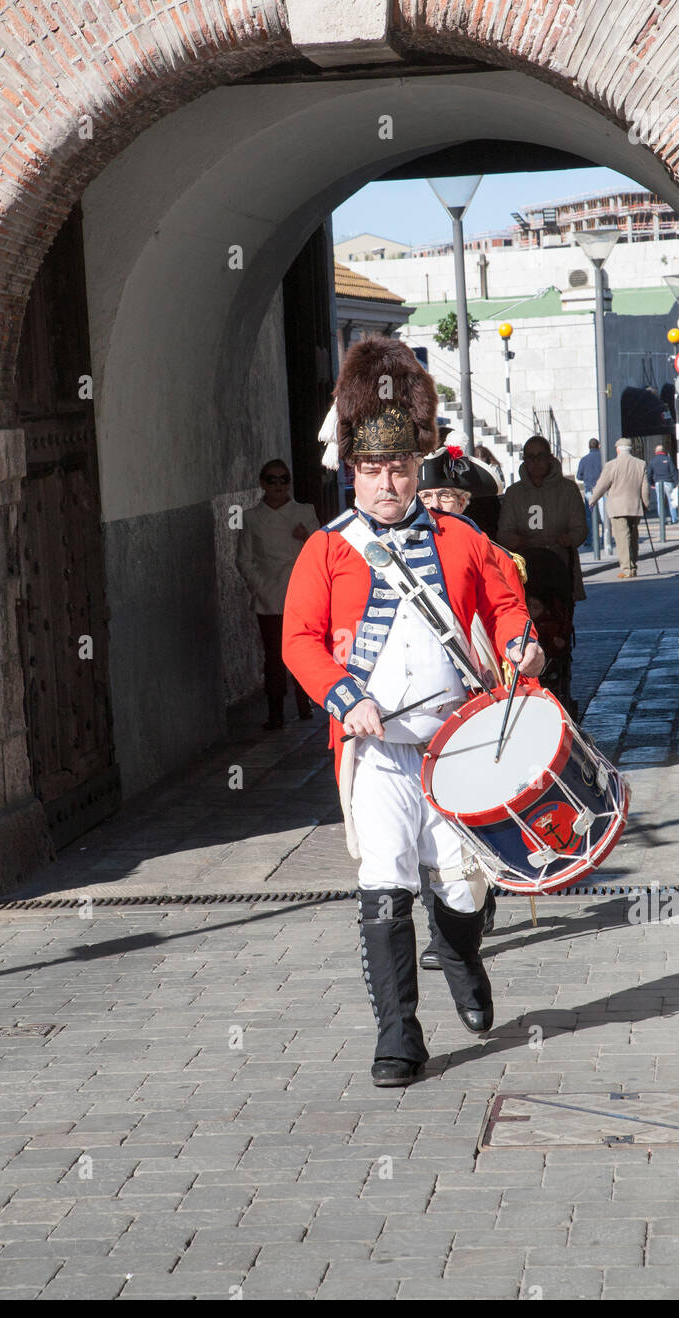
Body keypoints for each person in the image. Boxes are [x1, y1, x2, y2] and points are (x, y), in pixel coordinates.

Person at [283, 336, 543, 1088]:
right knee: (384, 882)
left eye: (398, 468)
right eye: (372, 469)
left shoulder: (462, 537)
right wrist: (345, 697)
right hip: (378, 754)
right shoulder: (326, 551)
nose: (387, 481)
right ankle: (398, 1036)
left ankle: (462, 952)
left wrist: (521, 646)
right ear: (353, 473)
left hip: (458, 745)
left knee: (461, 892)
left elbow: (506, 607)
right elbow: (299, 640)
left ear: (415, 467)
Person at [414, 445, 526, 971]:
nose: (436, 504)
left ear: (464, 501)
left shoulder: (488, 551)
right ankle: (445, 922)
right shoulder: (399, 551)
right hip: (418, 708)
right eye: (428, 495)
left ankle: (472, 909)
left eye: (447, 496)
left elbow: (509, 616)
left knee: (469, 808)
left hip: (479, 692)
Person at [238, 460, 318, 729]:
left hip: (300, 593)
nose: (278, 485)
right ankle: (275, 712)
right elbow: (244, 559)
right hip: (268, 595)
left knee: (304, 649)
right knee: (273, 656)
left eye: (283, 480)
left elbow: (320, 551)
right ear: (262, 484)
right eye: (272, 480)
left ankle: (304, 700)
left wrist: (306, 537)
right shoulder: (251, 518)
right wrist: (260, 586)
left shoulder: (304, 512)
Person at [496, 435, 588, 607]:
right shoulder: (514, 493)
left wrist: (569, 539)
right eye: (530, 457)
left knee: (560, 618)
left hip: (561, 566)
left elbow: (580, 527)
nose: (536, 462)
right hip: (526, 569)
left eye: (541, 456)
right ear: (524, 460)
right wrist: (516, 541)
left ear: (549, 458)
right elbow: (504, 532)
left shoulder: (568, 490)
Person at [589, 438, 651, 579]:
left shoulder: (612, 465)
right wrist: (646, 504)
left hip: (617, 507)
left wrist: (592, 500)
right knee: (633, 537)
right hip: (635, 506)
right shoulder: (640, 464)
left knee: (622, 538)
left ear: (617, 449)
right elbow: (645, 488)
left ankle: (627, 568)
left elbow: (602, 485)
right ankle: (633, 565)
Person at [576, 437, 604, 548]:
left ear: (589, 447)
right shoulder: (603, 458)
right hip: (602, 490)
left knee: (589, 516)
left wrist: (587, 478)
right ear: (598, 446)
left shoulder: (584, 460)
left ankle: (589, 539)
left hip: (589, 490)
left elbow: (579, 476)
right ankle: (606, 538)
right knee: (603, 515)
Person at [647, 445, 679, 521]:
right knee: (671, 501)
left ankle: (662, 520)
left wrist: (651, 484)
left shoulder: (652, 461)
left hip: (658, 483)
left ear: (656, 451)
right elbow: (673, 472)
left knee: (660, 502)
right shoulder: (668, 459)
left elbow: (649, 474)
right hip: (668, 482)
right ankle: (674, 519)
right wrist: (676, 482)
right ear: (663, 451)